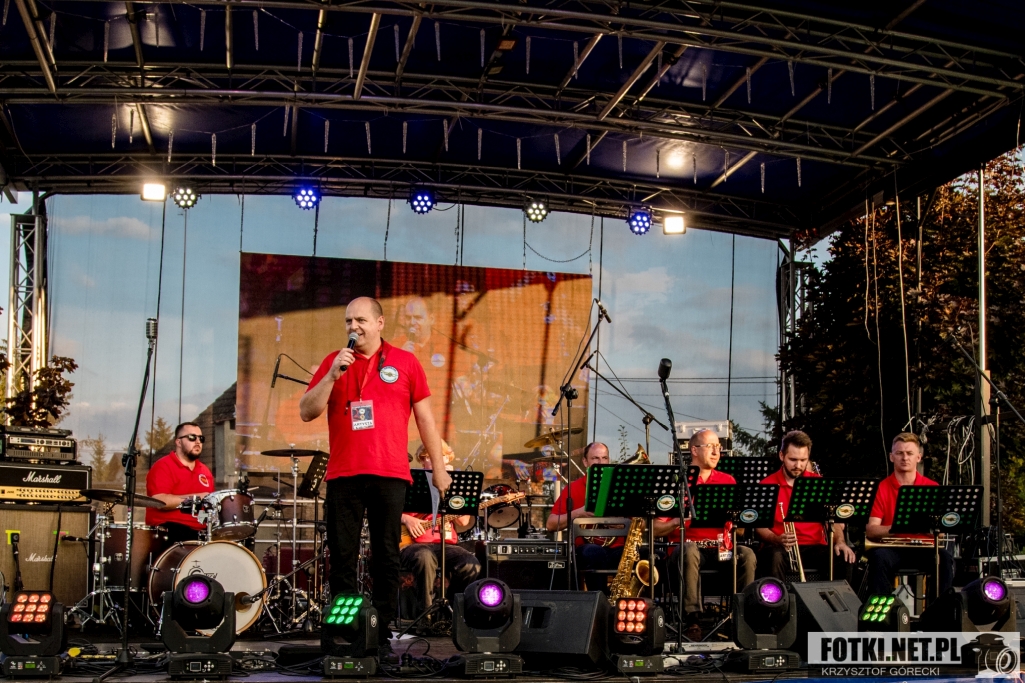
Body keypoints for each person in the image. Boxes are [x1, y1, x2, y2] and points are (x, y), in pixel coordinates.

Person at [300, 296, 451, 656]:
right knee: (343, 557)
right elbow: (307, 411)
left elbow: (426, 419)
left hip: (389, 472)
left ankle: (379, 631)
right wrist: (332, 375)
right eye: (348, 321)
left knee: (386, 556)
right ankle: (347, 630)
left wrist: (439, 470)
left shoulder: (406, 362)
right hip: (344, 474)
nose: (353, 327)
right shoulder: (334, 362)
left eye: (361, 320)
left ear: (380, 323)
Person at [653, 428, 756, 641]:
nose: (717, 451)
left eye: (718, 446)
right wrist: (678, 521)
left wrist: (737, 520)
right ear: (694, 450)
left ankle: (743, 618)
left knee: (747, 553)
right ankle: (693, 620)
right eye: (711, 446)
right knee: (689, 549)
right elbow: (654, 529)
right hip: (685, 551)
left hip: (720, 549)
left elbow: (741, 531)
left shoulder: (728, 481)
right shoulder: (676, 481)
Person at [754, 431, 856, 581]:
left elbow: (832, 520)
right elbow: (760, 527)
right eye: (793, 459)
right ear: (782, 456)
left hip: (814, 546)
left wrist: (840, 542)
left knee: (843, 556)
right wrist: (776, 538)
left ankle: (835, 597)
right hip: (780, 547)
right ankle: (779, 596)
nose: (798, 465)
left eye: (803, 460)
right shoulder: (766, 485)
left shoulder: (819, 484)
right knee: (774, 557)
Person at [865, 432, 955, 596]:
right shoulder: (881, 488)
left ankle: (940, 608)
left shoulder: (932, 487)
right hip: (892, 549)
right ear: (891, 457)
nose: (905, 458)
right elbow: (871, 530)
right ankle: (883, 609)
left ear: (918, 457)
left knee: (944, 558)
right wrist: (898, 528)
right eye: (899, 453)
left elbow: (941, 534)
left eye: (909, 453)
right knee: (878, 557)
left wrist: (923, 527)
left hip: (924, 549)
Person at [399, 442, 480, 622]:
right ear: (422, 461)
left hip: (446, 543)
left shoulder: (455, 483)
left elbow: (463, 521)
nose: (436, 460)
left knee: (470, 563)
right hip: (413, 543)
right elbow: (387, 510)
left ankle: (449, 614)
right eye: (429, 456)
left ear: (448, 459)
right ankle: (425, 616)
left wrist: (451, 488)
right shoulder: (410, 481)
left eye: (441, 456)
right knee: (424, 557)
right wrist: (407, 519)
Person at [546, 442, 626, 573]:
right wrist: (578, 513)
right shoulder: (573, 488)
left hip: (618, 549)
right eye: (595, 458)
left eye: (604, 458)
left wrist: (621, 523)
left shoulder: (621, 487)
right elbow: (551, 525)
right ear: (585, 462)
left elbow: (640, 524)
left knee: (647, 556)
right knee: (594, 552)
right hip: (587, 548)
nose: (601, 463)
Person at [146, 422, 216, 543]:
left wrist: (207, 520)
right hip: (169, 531)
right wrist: (195, 498)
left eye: (201, 438)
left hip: (199, 533)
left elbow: (203, 509)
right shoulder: (163, 466)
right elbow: (159, 501)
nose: (198, 441)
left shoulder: (205, 471)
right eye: (192, 437)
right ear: (178, 442)